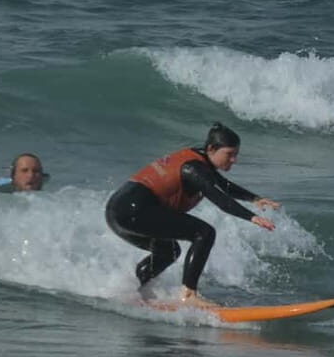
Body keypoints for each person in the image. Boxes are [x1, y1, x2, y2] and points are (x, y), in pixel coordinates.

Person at [105, 122, 280, 307]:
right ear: (212, 148)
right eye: (230, 154)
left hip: (116, 212)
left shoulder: (200, 162)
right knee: (204, 233)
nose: (234, 160)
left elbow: (223, 185)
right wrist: (252, 217)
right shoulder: (193, 169)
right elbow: (220, 199)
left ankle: (132, 292)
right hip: (134, 210)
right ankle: (189, 295)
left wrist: (255, 199)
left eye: (236, 154)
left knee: (168, 251)